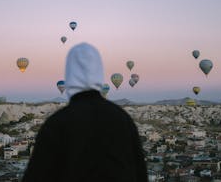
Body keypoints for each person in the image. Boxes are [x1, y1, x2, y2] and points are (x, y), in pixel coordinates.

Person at [22, 42, 147, 182]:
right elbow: (141, 173)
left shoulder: (56, 123)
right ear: (99, 72)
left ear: (69, 74)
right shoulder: (123, 119)